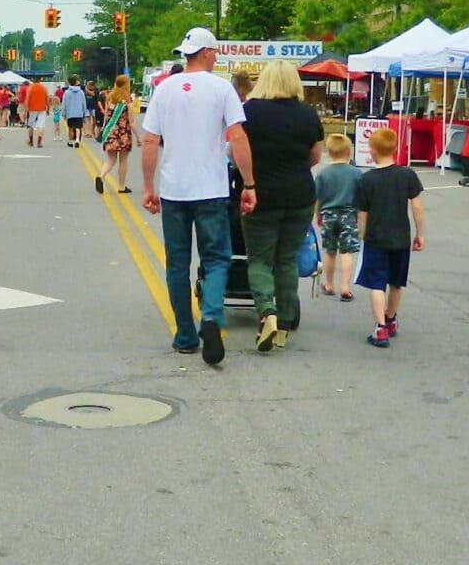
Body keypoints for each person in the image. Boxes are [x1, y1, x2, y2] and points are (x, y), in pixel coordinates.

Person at [141, 27, 256, 365]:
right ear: (206, 52)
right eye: (214, 52)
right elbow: (237, 138)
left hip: (175, 189)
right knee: (217, 258)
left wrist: (149, 187)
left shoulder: (164, 90)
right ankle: (210, 315)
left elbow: (150, 143)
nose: (216, 57)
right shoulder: (222, 89)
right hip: (211, 189)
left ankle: (185, 335)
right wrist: (248, 184)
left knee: (177, 263)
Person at [240, 61, 325, 353]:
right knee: (286, 259)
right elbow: (315, 156)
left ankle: (267, 311)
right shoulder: (307, 114)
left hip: (261, 194)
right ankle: (286, 320)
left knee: (260, 259)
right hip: (300, 195)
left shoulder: (250, 111)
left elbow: (234, 150)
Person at [354, 126, 425, 347]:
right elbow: (417, 206)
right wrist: (419, 233)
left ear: (373, 150)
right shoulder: (407, 175)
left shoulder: (366, 180)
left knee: (377, 283)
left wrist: (362, 235)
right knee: (396, 281)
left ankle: (380, 328)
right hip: (401, 237)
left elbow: (362, 214)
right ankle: (391, 318)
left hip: (376, 238)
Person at [313, 133, 361, 301]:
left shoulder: (323, 173)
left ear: (330, 152)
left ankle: (329, 283)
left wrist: (318, 215)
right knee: (347, 251)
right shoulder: (357, 173)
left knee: (330, 250)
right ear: (349, 152)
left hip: (328, 214)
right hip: (349, 214)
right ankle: (345, 286)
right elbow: (361, 197)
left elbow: (318, 197)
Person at [95, 75, 136, 194]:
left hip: (110, 132)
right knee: (123, 160)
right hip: (123, 134)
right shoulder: (127, 101)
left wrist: (103, 131)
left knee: (110, 159)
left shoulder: (109, 98)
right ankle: (121, 186)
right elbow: (132, 121)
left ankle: (101, 176)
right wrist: (138, 137)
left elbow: (106, 117)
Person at [61, 77, 89, 147]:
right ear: (76, 82)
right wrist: (84, 113)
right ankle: (77, 140)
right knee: (78, 127)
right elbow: (84, 103)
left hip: (70, 113)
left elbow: (64, 103)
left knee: (70, 127)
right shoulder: (81, 92)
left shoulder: (67, 92)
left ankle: (70, 141)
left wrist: (63, 114)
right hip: (79, 113)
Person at [21, 77, 51, 146]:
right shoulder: (44, 88)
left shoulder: (30, 88)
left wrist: (26, 110)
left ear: (33, 81)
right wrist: (48, 109)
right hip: (42, 109)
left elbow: (27, 100)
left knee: (31, 126)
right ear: (39, 81)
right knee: (41, 126)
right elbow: (47, 99)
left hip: (32, 110)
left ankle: (31, 141)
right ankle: (39, 142)